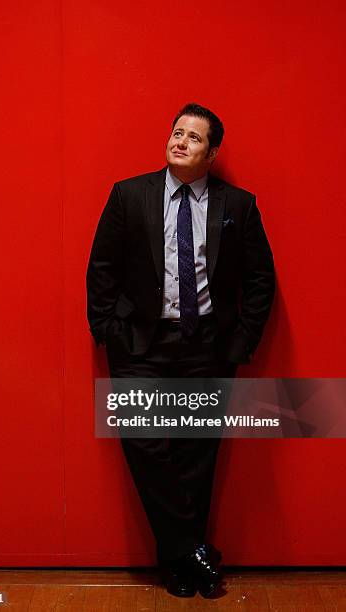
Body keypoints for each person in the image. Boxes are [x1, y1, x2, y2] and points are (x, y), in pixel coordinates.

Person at [86, 103, 275, 598]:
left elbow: (260, 280)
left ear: (211, 153)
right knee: (147, 449)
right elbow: (101, 266)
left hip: (206, 348)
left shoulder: (238, 205)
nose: (181, 141)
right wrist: (107, 328)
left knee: (196, 457)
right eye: (176, 132)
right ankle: (195, 552)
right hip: (140, 347)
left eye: (194, 137)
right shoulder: (129, 195)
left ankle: (178, 566)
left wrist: (242, 340)